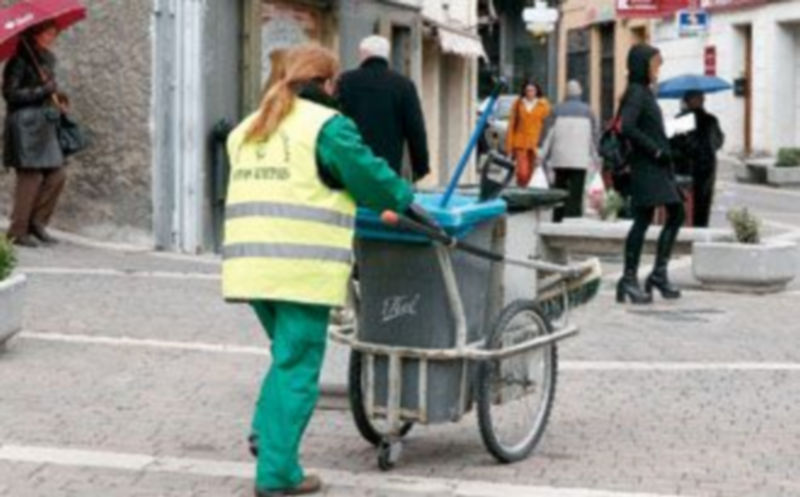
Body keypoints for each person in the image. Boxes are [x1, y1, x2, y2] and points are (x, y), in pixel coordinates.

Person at [223, 44, 422, 497]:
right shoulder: (326, 126)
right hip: (299, 268)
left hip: (250, 266)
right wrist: (407, 200)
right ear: (329, 83)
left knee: (286, 356)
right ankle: (278, 473)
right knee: (297, 365)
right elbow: (369, 176)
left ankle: (266, 433)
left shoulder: (247, 128)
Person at [617, 43, 685, 304]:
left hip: (656, 166)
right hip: (647, 166)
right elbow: (627, 127)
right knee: (648, 219)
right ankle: (632, 278)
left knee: (669, 214)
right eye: (655, 64)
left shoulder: (644, 92)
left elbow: (642, 125)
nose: (658, 69)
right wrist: (655, 150)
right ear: (642, 65)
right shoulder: (636, 93)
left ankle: (654, 275)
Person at [3, 21, 66, 247]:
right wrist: (42, 90)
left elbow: (49, 88)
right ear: (35, 34)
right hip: (24, 125)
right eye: (48, 33)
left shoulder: (46, 59)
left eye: (54, 33)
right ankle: (17, 231)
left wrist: (58, 97)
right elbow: (10, 94)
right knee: (31, 178)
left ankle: (37, 223)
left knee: (57, 174)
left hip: (43, 124)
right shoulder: (18, 61)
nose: (52, 37)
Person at [337, 35, 429, 182]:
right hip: (388, 168)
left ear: (362, 55)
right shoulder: (403, 85)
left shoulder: (345, 81)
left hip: (351, 164)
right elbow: (415, 129)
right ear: (387, 55)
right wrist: (421, 167)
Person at [540, 80, 599, 222]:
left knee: (559, 189)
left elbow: (547, 134)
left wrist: (544, 154)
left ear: (566, 93)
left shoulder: (556, 110)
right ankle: (574, 216)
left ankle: (558, 216)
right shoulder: (588, 111)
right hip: (580, 158)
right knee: (576, 191)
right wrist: (595, 155)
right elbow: (595, 135)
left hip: (559, 157)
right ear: (580, 93)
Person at [670, 90, 724, 227]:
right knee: (702, 206)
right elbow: (719, 141)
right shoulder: (711, 120)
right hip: (706, 169)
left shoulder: (681, 119)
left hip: (685, 169)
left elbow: (671, 144)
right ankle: (700, 231)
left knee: (684, 207)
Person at [506, 80, 550, 187]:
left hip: (536, 143)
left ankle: (528, 193)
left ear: (537, 91)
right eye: (528, 90)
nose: (530, 93)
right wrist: (509, 147)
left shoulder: (543, 105)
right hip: (520, 143)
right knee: (522, 173)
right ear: (524, 91)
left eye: (533, 90)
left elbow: (547, 125)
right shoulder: (518, 104)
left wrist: (546, 144)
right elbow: (512, 125)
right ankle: (522, 188)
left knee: (533, 172)